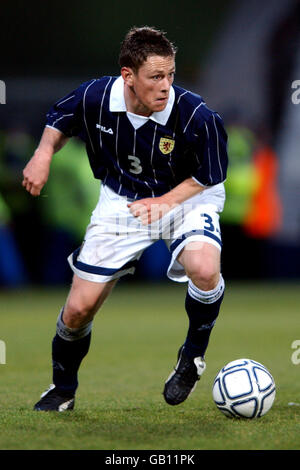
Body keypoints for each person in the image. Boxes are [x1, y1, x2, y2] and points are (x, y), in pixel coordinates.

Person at [22, 26, 228, 412]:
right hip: (122, 201)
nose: (166, 86)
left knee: (203, 268)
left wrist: (165, 202)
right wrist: (43, 154)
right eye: (155, 76)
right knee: (79, 309)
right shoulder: (95, 96)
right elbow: (59, 118)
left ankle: (192, 357)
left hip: (188, 197)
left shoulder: (196, 115)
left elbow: (211, 174)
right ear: (128, 76)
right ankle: (63, 389)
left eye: (170, 74)